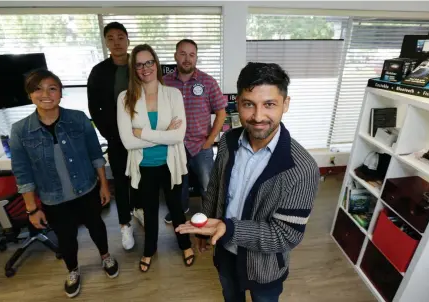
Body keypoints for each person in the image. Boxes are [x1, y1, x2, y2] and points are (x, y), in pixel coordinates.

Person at [176, 62, 320, 302]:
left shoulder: (302, 168)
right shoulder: (228, 141)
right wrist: (204, 229)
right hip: (224, 253)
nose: (257, 117)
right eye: (248, 104)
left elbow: (286, 235)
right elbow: (214, 189)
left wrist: (229, 228)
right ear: (237, 104)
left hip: (265, 267)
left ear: (286, 104)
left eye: (269, 105)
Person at [10, 69, 119, 298]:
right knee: (67, 239)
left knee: (97, 228)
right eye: (37, 88)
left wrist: (104, 185)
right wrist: (32, 209)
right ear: (30, 94)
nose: (45, 93)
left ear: (61, 93)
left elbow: (95, 154)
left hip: (87, 190)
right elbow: (23, 173)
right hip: (53, 199)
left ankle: (105, 256)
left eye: (52, 88)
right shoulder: (20, 130)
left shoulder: (78, 118)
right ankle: (73, 270)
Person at [117, 44, 195, 272]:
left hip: (170, 163)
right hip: (144, 166)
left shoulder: (173, 94)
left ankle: (185, 245)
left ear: (156, 64)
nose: (145, 68)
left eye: (149, 62)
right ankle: (149, 249)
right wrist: (164, 135)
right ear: (134, 68)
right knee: (149, 212)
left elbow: (178, 135)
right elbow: (128, 142)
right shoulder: (125, 98)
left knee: (177, 209)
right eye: (139, 64)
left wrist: (143, 133)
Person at [87, 21, 143, 251]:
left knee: (142, 176)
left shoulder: (140, 66)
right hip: (116, 137)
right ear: (106, 42)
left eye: (121, 37)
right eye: (111, 38)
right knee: (121, 181)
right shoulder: (99, 71)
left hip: (143, 135)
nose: (116, 42)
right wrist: (108, 133)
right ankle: (124, 223)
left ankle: (139, 209)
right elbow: (94, 108)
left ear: (128, 40)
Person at [163, 39, 227, 224]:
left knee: (208, 184)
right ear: (175, 55)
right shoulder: (164, 82)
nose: (187, 58)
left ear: (196, 57)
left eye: (191, 54)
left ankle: (210, 214)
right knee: (178, 183)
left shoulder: (208, 81)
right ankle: (180, 209)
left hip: (201, 146)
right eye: (182, 54)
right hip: (174, 146)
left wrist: (210, 140)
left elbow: (221, 113)